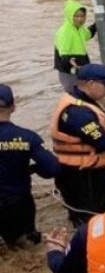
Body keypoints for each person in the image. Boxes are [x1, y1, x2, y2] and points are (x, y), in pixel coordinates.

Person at [51, 64, 105, 227]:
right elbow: (103, 142)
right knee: (91, 221)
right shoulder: (78, 113)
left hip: (91, 171)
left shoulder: (85, 101)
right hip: (81, 177)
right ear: (91, 84)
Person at [0, 84, 60, 246]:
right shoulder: (26, 137)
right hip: (16, 203)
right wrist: (33, 169)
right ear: (13, 107)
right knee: (25, 245)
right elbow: (52, 168)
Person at [54, 0, 97, 92]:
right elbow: (64, 54)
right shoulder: (64, 32)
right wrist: (72, 63)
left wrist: (97, 24)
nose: (80, 19)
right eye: (76, 16)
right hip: (68, 68)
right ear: (70, 16)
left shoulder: (80, 28)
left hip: (80, 64)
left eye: (82, 16)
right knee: (72, 92)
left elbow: (88, 34)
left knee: (83, 90)